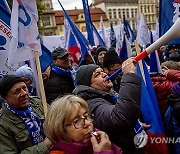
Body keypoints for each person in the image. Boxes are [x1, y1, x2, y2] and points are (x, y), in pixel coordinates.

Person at [73, 57, 142, 153]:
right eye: (97, 74)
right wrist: (129, 76)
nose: (104, 74)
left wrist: (137, 125)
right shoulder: (92, 104)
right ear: (87, 85)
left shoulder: (109, 95)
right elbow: (121, 117)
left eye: (102, 71)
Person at [44, 95, 122, 154]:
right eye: (77, 121)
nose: (88, 123)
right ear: (60, 129)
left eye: (86, 116)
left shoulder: (98, 140)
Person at [0, 75, 52, 153]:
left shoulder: (37, 102)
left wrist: (53, 126)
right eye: (17, 91)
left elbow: (58, 119)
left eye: (24, 88)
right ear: (5, 98)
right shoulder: (3, 123)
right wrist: (45, 145)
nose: (24, 93)